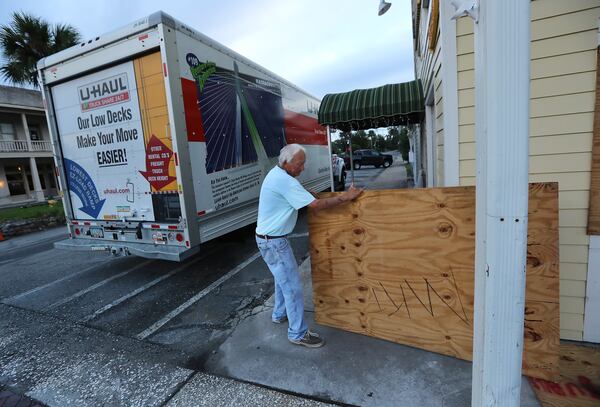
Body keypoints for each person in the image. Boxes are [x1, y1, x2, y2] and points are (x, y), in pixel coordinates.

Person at [255, 144, 363, 348]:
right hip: (275, 242)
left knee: (282, 279)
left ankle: (279, 314)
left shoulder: (276, 173)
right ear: (287, 162)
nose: (302, 168)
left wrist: (306, 192)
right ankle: (297, 333)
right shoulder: (285, 181)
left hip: (266, 239)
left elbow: (295, 191)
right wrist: (345, 197)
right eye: (300, 163)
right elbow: (316, 205)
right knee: (293, 288)